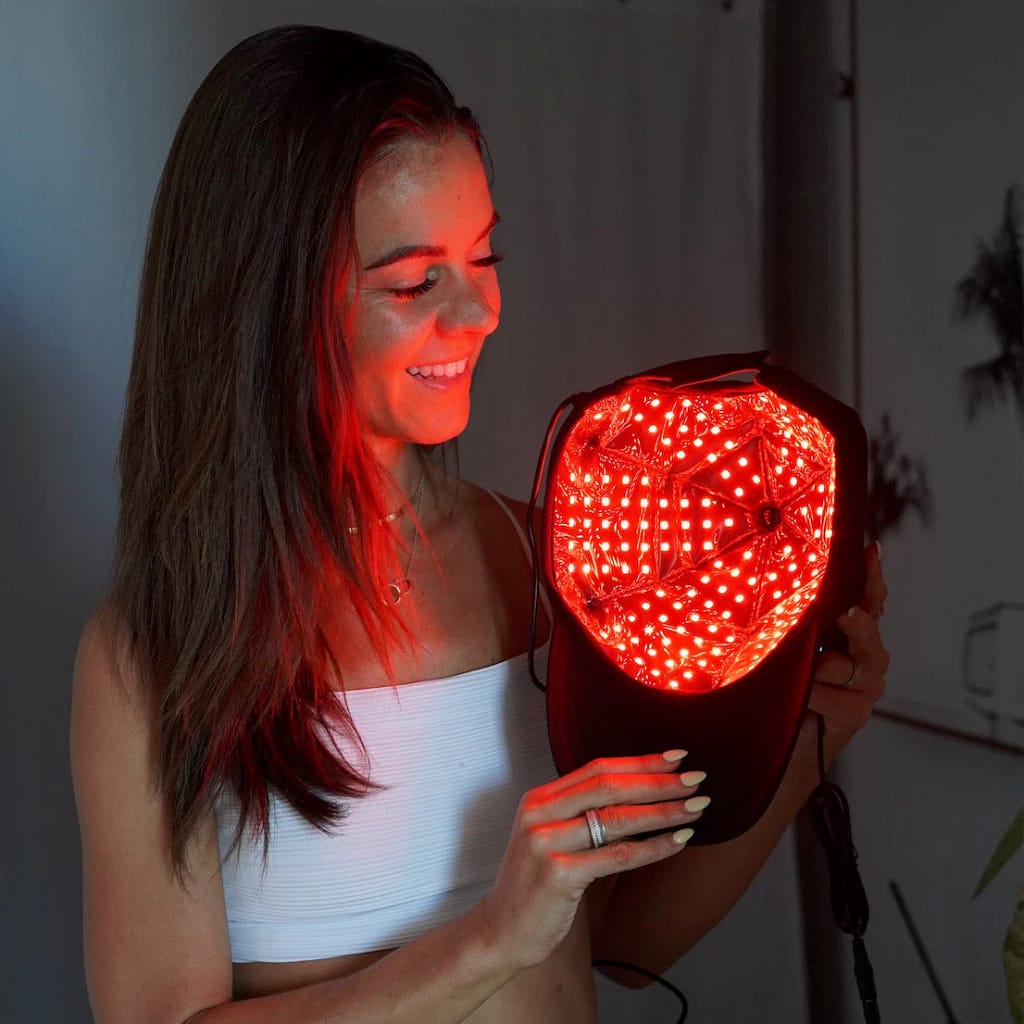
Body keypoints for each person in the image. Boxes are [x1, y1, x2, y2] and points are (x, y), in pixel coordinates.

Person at [69, 24, 890, 1024]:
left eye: (484, 252)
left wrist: (810, 732)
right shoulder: (154, 656)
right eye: (417, 282)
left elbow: (626, 939)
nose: (481, 310)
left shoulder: (544, 559)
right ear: (269, 303)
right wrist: (491, 935)